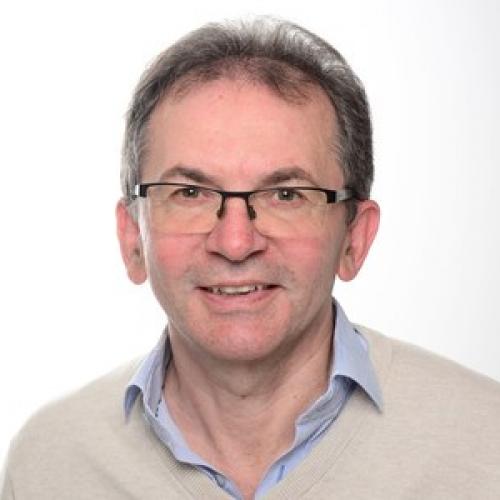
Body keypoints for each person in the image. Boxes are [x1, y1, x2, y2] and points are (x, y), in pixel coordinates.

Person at [1, 16, 500, 500]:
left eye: (286, 195)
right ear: (133, 237)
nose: (236, 242)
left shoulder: (486, 443)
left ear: (354, 237)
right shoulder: (49, 463)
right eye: (190, 192)